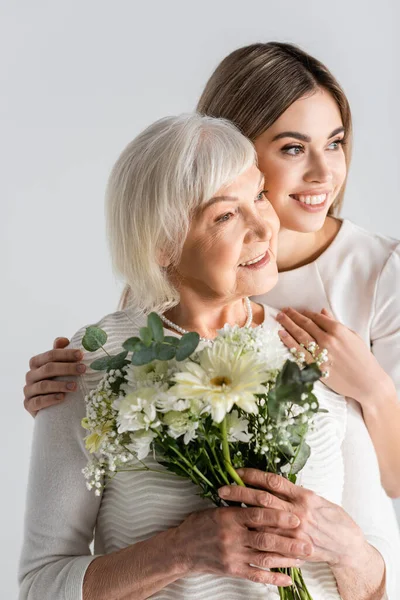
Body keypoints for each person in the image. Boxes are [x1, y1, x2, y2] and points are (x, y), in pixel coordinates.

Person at [19, 114, 400, 599]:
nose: (264, 226)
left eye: (259, 194)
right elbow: (40, 585)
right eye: (225, 215)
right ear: (162, 244)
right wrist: (180, 550)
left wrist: (347, 549)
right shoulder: (92, 368)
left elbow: (384, 578)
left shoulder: (313, 351)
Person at [23, 42, 400, 499]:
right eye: (294, 148)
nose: (325, 171)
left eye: (335, 143)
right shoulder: (180, 269)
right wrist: (69, 399)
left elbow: (393, 488)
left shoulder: (381, 272)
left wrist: (374, 392)